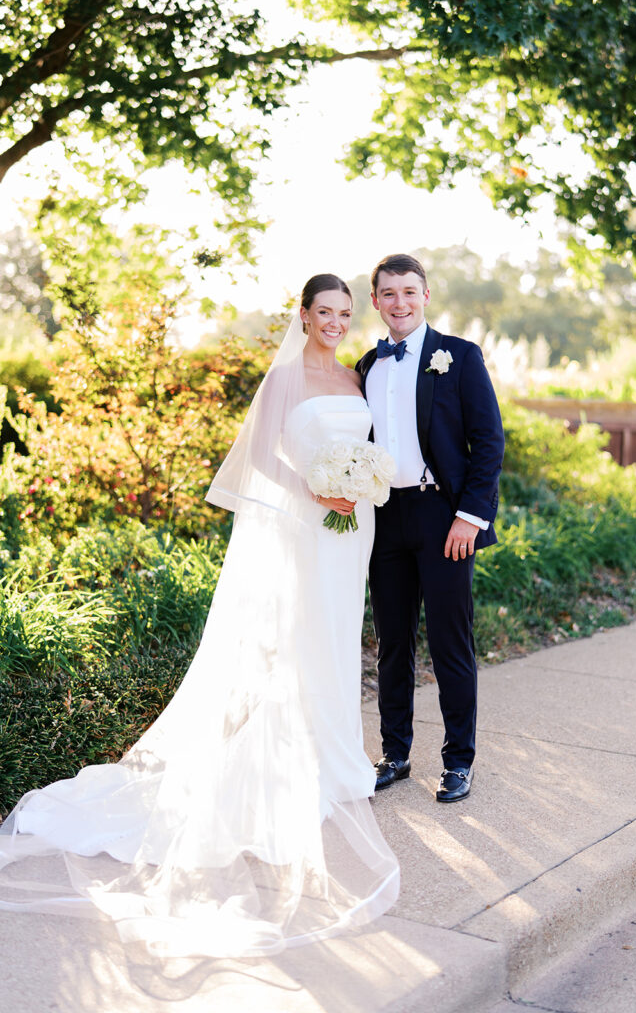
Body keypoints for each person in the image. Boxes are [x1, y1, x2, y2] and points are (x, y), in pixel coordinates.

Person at [0, 274, 399, 958]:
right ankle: (288, 769)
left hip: (351, 529)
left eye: (343, 313)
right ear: (302, 314)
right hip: (306, 527)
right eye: (323, 312)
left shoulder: (354, 377)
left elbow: (368, 450)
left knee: (336, 637)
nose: (334, 322)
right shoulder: (283, 379)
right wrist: (315, 489)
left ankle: (337, 760)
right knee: (297, 642)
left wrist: (356, 486)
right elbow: (256, 464)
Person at [357, 254, 504, 803]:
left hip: (444, 517)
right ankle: (394, 753)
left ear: (425, 296)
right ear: (375, 300)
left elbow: (488, 442)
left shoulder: (459, 357)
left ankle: (458, 761)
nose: (400, 303)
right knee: (393, 642)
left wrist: (470, 516)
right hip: (384, 517)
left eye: (409, 292)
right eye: (389, 293)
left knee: (450, 643)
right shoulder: (368, 364)